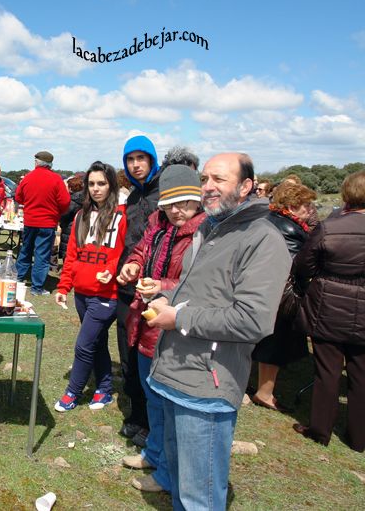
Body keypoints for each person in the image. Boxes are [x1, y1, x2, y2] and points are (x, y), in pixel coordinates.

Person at [145, 152, 291, 510]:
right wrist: (165, 298)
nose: (208, 187)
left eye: (219, 179)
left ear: (245, 186)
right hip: (175, 373)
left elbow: (253, 320)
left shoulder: (263, 239)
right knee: (181, 486)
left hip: (207, 386)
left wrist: (178, 318)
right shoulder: (210, 229)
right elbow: (197, 292)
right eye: (205, 179)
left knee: (199, 497)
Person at [116, 164, 206, 494]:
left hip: (176, 329)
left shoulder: (204, 233)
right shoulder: (159, 223)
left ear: (197, 199)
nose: (176, 210)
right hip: (147, 321)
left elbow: (197, 282)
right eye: (169, 204)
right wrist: (133, 265)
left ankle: (167, 473)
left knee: (169, 404)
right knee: (152, 394)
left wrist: (161, 286)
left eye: (184, 203)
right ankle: (154, 454)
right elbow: (142, 249)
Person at [292, 170, 365, 453]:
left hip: (329, 305)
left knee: (327, 370)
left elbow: (303, 265)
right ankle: (358, 437)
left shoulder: (329, 227)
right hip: (342, 305)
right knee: (361, 373)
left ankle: (320, 430)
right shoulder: (330, 227)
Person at [53, 162, 127, 412]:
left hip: (107, 295)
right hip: (82, 294)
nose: (96, 189)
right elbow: (71, 254)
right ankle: (104, 389)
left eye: (102, 184)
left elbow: (127, 253)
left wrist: (112, 269)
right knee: (97, 342)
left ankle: (72, 392)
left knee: (84, 345)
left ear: (111, 185)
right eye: (92, 184)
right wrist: (64, 287)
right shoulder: (80, 216)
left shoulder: (122, 216)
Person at [250, 182, 316, 411]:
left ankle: (256, 387)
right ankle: (264, 393)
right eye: (306, 204)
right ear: (292, 205)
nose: (310, 209)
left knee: (261, 341)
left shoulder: (271, 219)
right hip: (280, 294)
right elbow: (295, 264)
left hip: (264, 289)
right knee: (275, 344)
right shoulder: (288, 228)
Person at [116, 135, 161, 445]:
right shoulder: (132, 197)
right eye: (130, 160)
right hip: (128, 284)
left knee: (149, 356)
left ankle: (150, 422)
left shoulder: (163, 195)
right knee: (127, 352)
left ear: (152, 160)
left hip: (154, 287)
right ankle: (135, 415)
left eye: (141, 158)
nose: (135, 165)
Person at [15, 151, 70, 296]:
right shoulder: (56, 179)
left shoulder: (28, 177)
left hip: (30, 220)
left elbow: (18, 197)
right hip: (47, 222)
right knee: (42, 254)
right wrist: (57, 212)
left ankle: (17, 279)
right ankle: (37, 287)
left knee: (26, 250)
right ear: (50, 164)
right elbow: (65, 201)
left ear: (36, 162)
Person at [56, 175, 84, 270]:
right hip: (81, 228)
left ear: (71, 187)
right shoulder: (85, 199)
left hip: (69, 227)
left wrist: (61, 221)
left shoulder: (73, 200)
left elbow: (65, 214)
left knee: (68, 252)